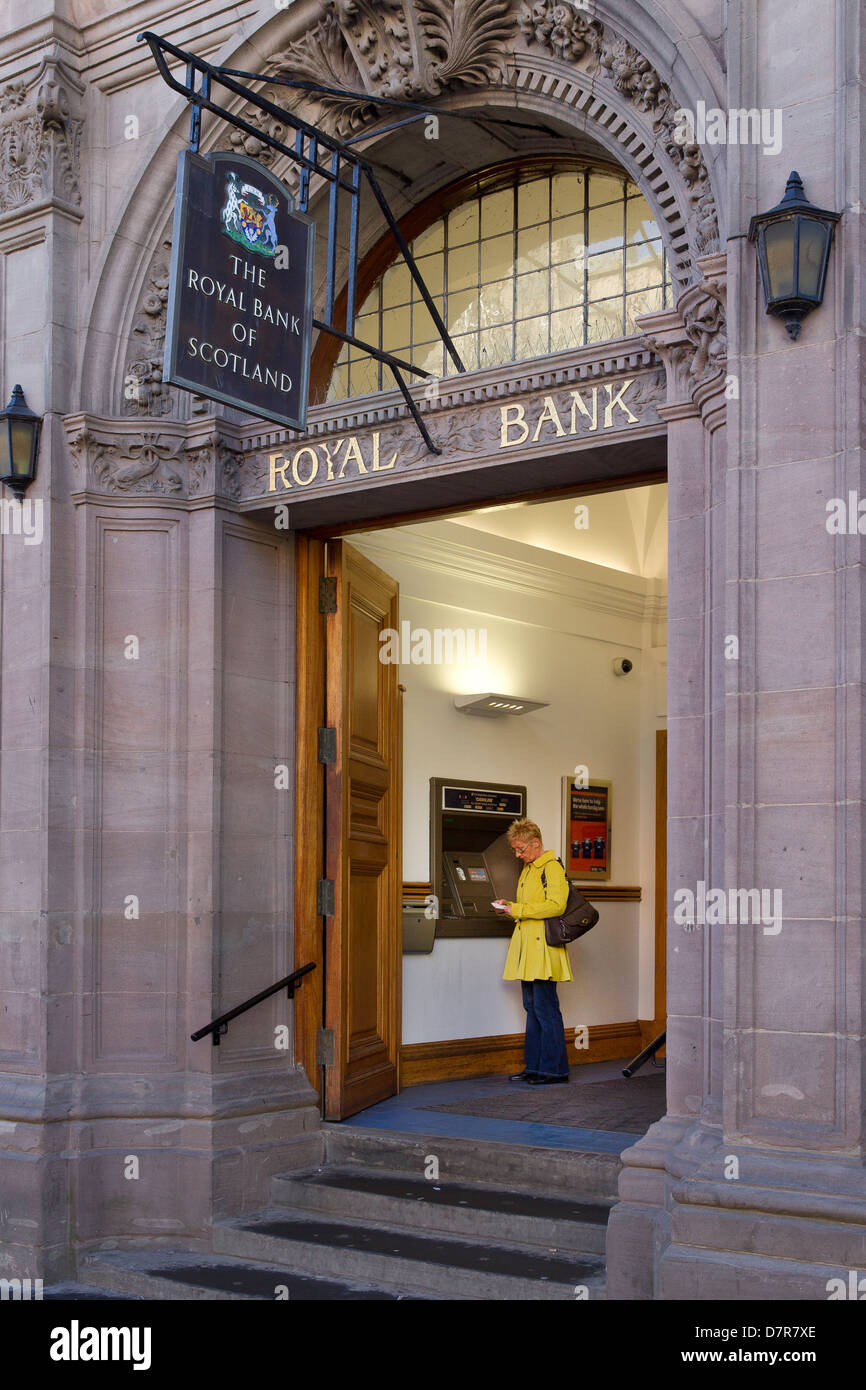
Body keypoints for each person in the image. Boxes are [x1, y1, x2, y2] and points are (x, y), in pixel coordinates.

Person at [492, 818, 572, 1085]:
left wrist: (520, 910)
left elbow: (557, 906)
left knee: (545, 1007)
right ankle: (535, 1066)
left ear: (535, 843)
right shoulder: (529, 868)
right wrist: (509, 906)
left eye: (521, 849)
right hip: (529, 948)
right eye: (515, 849)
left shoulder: (551, 868)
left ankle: (554, 1070)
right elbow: (533, 905)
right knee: (532, 1006)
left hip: (544, 949)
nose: (518, 854)